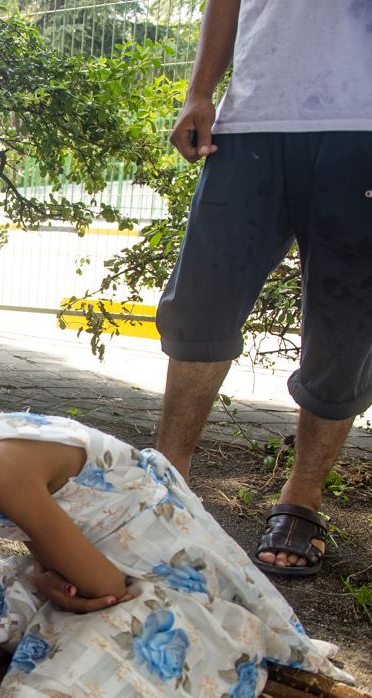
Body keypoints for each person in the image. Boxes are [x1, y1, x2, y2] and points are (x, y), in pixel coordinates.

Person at [0, 327, 354, 696]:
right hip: (91, 557)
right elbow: (42, 530)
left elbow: (104, 585)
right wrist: (51, 577)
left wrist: (60, 591)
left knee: (55, 683)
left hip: (154, 574)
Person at [156, 0, 372, 576]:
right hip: (251, 119)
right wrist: (200, 91)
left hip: (362, 125)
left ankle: (301, 500)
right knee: (199, 303)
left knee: (345, 327)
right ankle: (166, 476)